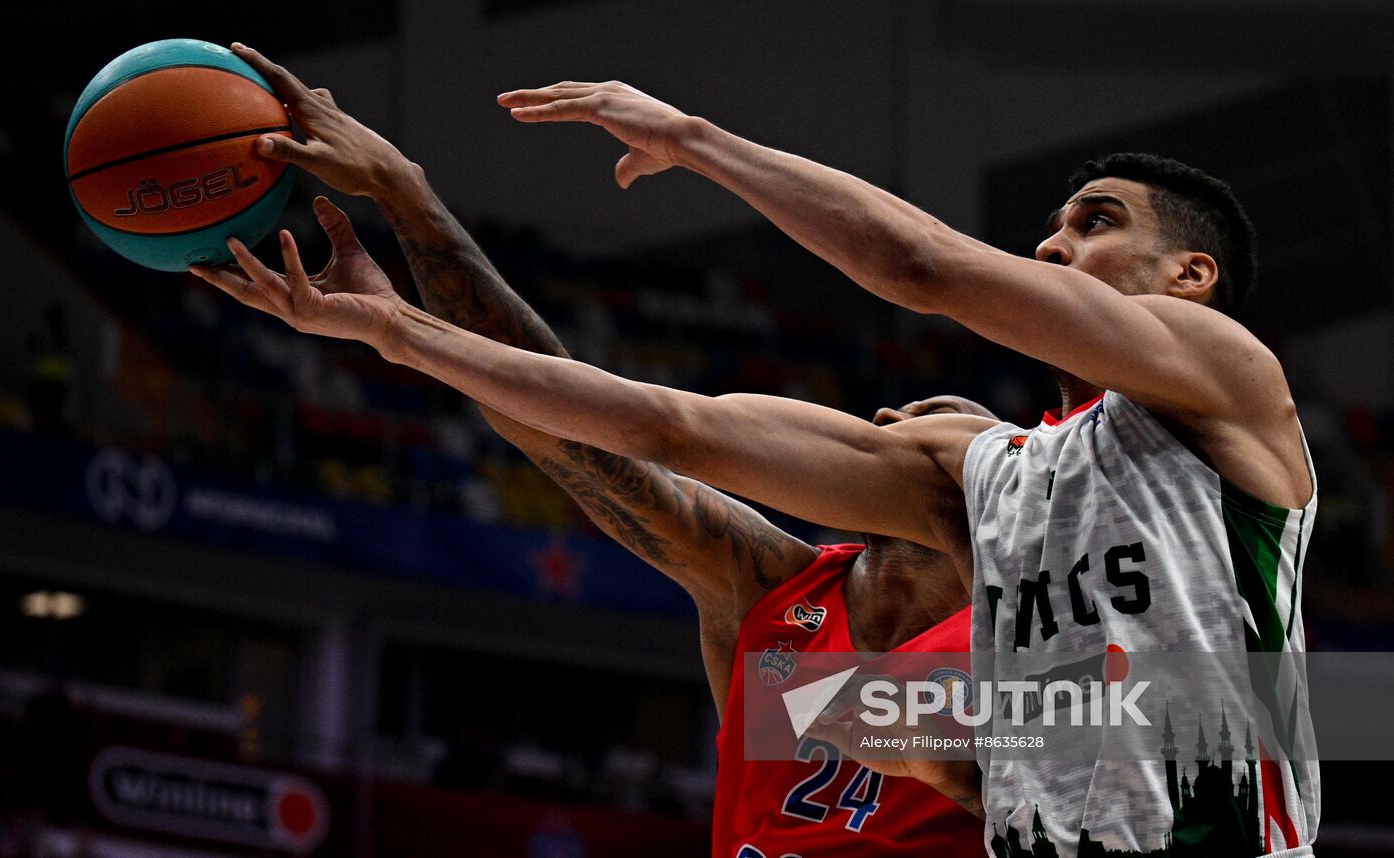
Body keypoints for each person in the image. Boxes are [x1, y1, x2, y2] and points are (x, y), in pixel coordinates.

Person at [486, 83, 1320, 857]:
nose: (1050, 245)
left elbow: (920, 266)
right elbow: (673, 430)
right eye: (1057, 227)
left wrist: (691, 139)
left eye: (1095, 223)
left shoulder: (1225, 377)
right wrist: (405, 334)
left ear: (1190, 274)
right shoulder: (999, 476)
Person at [215, 45, 988, 856]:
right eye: (891, 422)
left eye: (933, 423)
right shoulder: (772, 593)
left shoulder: (1039, 653)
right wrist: (404, 196)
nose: (891, 415)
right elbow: (570, 433)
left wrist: (820, 704)